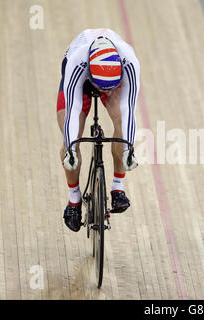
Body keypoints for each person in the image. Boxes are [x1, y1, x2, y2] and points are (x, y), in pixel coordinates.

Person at [56, 28, 140, 232]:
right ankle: (74, 200)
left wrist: (129, 148)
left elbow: (129, 108)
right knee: (72, 140)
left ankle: (118, 188)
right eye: (104, 88)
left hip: (110, 77)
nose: (107, 92)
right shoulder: (77, 61)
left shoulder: (129, 61)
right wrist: (70, 149)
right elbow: (73, 108)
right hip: (81, 83)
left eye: (110, 88)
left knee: (121, 124)